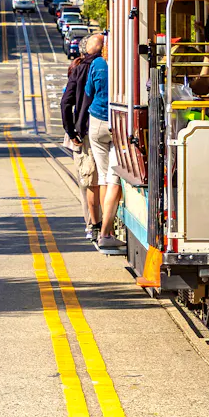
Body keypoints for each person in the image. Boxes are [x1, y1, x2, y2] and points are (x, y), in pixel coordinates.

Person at [83, 34, 125, 254]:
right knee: (115, 178)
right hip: (118, 123)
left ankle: (104, 229)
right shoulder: (125, 61)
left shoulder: (98, 63)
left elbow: (88, 92)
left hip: (97, 123)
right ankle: (106, 233)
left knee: (102, 177)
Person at [61, 37, 102, 240]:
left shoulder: (78, 68)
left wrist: (71, 131)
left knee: (87, 181)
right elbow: (66, 103)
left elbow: (66, 102)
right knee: (92, 179)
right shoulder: (92, 68)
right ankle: (95, 225)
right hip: (87, 131)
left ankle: (93, 225)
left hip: (82, 131)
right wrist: (72, 131)